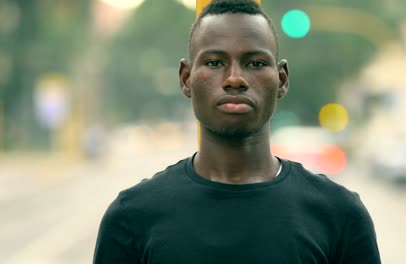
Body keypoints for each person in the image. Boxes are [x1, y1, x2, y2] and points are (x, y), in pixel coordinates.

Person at [93, 0, 381, 263]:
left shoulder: (339, 216)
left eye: (255, 63)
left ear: (281, 80)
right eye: (215, 62)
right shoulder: (132, 219)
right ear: (186, 79)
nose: (234, 79)